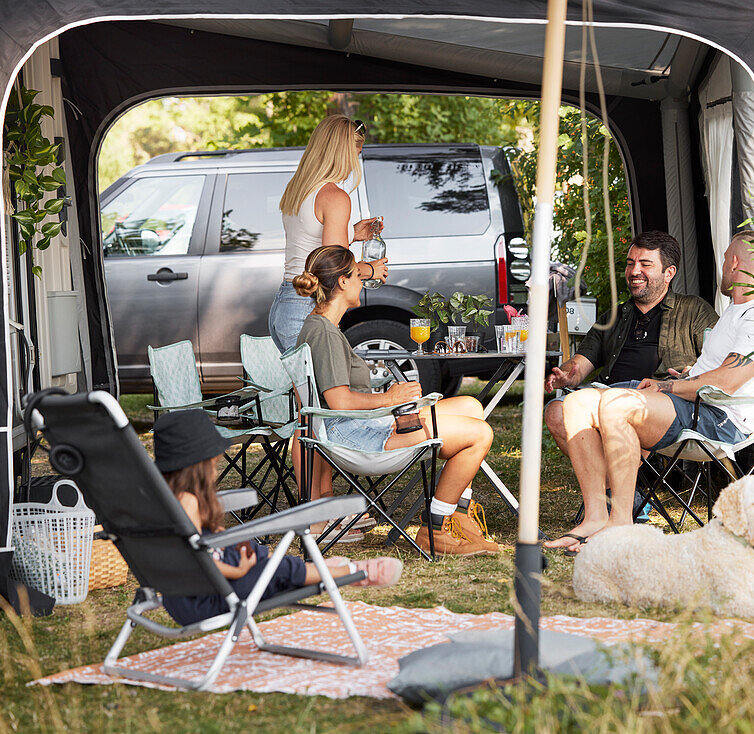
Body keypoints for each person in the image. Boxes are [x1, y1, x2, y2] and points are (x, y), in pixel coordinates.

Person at [545, 230, 754, 554]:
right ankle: (595, 517)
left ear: (735, 263)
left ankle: (621, 524)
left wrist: (667, 385)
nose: (723, 267)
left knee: (617, 405)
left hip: (720, 418)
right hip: (694, 404)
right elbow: (715, 369)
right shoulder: (736, 311)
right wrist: (690, 375)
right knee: (574, 404)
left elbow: (727, 380)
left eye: (726, 259)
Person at [295, 245, 499, 556]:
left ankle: (457, 513)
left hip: (358, 427)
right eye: (357, 275)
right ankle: (435, 528)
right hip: (358, 436)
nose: (363, 282)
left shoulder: (321, 326)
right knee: (479, 434)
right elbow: (339, 402)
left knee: (471, 406)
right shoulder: (324, 334)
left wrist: (391, 402)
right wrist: (389, 398)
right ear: (343, 283)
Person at [154, 409, 403, 626]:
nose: (214, 470)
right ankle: (351, 573)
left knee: (253, 550)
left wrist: (218, 537)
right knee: (277, 570)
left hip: (186, 597)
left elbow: (187, 551)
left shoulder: (165, 499)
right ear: (197, 465)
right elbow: (191, 562)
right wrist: (234, 569)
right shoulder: (187, 501)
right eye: (212, 464)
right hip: (207, 596)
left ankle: (322, 569)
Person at [544, 231, 717, 521]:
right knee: (556, 412)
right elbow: (582, 362)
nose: (634, 271)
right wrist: (567, 374)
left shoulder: (693, 310)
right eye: (630, 263)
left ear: (669, 272)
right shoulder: (615, 315)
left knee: (620, 408)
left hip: (662, 402)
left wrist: (690, 374)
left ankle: (613, 502)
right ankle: (621, 496)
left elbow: (715, 363)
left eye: (645, 264)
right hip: (610, 396)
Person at [268, 114, 389, 352]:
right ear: (344, 154)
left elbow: (309, 240)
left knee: (306, 389)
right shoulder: (335, 196)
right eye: (356, 153)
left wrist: (350, 233)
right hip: (309, 306)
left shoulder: (298, 189)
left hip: (285, 301)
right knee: (328, 388)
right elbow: (334, 267)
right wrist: (371, 270)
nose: (356, 161)